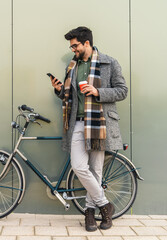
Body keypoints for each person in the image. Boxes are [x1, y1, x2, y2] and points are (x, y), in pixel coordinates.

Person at [50, 26, 128, 232]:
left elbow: (122, 91)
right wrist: (59, 90)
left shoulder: (109, 62)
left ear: (87, 43)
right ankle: (105, 205)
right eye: (71, 46)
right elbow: (69, 96)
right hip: (77, 122)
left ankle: (90, 215)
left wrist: (97, 91)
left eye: (75, 45)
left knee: (96, 171)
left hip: (99, 122)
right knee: (79, 167)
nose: (72, 49)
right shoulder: (72, 66)